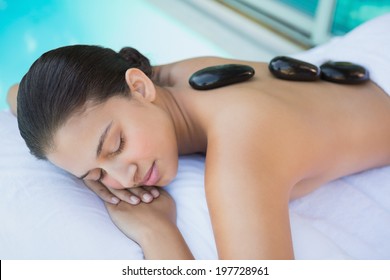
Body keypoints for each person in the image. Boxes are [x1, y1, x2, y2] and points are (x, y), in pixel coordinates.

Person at [8, 14, 390, 259]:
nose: (124, 180)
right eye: (95, 175)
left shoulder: (240, 158)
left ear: (138, 87)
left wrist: (157, 231)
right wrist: (94, 165)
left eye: (116, 146)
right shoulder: (159, 80)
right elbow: (17, 93)